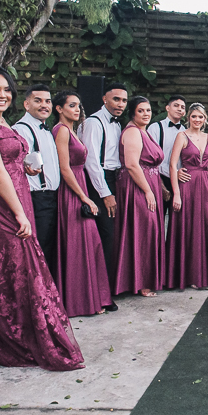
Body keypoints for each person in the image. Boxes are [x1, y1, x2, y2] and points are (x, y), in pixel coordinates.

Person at [0, 66, 83, 371]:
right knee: (6, 271)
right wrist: (18, 211)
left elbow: (7, 158)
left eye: (6, 90)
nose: (2, 95)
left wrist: (25, 168)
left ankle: (25, 331)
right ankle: (8, 338)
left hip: (17, 198)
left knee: (20, 268)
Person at [51, 90, 115, 316]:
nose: (77, 109)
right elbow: (64, 168)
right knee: (78, 245)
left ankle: (90, 299)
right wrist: (84, 197)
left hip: (80, 185)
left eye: (78, 105)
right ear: (59, 109)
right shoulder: (60, 131)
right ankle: (76, 302)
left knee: (90, 243)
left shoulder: (74, 130)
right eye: (71, 105)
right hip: (71, 192)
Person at [166, 103, 208, 290]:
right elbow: (172, 165)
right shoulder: (182, 136)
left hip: (205, 187)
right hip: (187, 187)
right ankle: (190, 275)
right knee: (189, 231)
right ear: (189, 118)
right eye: (194, 116)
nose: (197, 120)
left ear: (205, 119)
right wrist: (176, 193)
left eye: (200, 117)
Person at [116, 96, 166, 296]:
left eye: (148, 110)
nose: (146, 114)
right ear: (132, 113)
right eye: (141, 111)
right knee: (143, 230)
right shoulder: (133, 132)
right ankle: (140, 282)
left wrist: (160, 187)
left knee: (149, 230)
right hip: (136, 186)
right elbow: (132, 164)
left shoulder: (145, 132)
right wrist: (147, 190)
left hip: (151, 184)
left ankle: (146, 279)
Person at [79, 82, 128, 278]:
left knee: (112, 234)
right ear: (104, 99)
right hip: (98, 181)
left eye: (124, 100)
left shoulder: (116, 123)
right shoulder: (94, 123)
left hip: (113, 178)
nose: (121, 104)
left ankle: (108, 285)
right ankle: (101, 289)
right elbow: (91, 162)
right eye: (116, 99)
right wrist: (105, 193)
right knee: (105, 234)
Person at [12, 84, 60, 272]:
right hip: (36, 198)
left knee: (49, 249)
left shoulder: (47, 129)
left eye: (47, 101)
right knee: (38, 250)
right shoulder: (21, 130)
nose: (44, 105)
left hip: (52, 197)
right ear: (26, 104)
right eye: (38, 101)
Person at [147, 94, 187, 217]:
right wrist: (161, 185)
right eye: (176, 106)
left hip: (180, 180)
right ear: (167, 108)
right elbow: (149, 158)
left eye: (183, 107)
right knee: (157, 218)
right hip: (159, 178)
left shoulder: (185, 131)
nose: (180, 109)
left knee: (178, 222)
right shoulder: (155, 128)